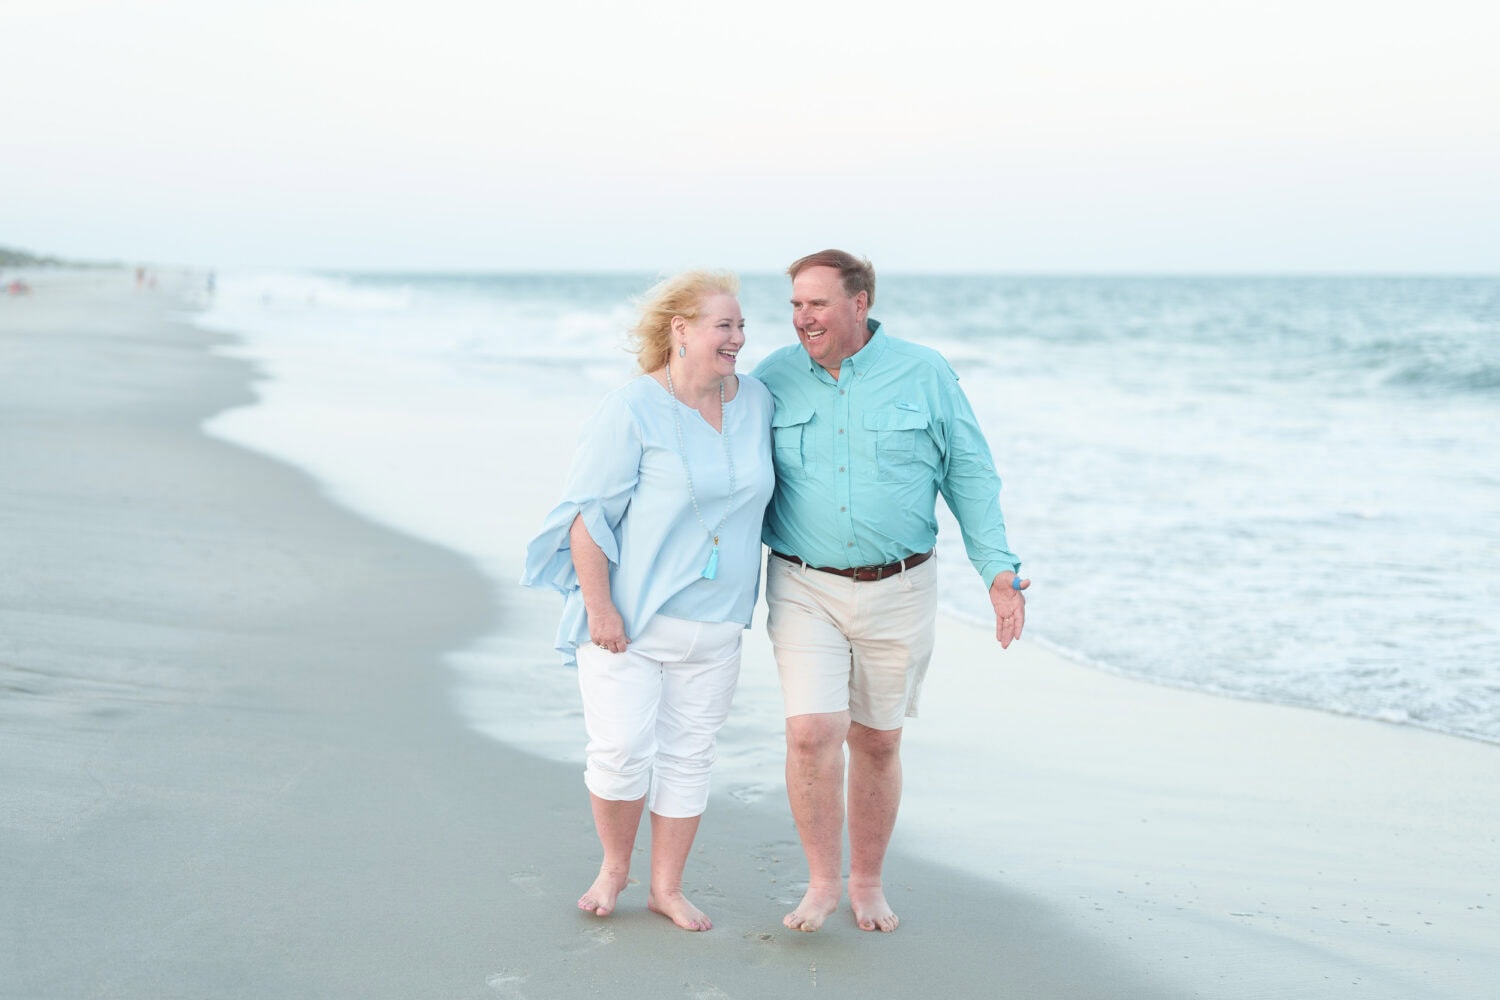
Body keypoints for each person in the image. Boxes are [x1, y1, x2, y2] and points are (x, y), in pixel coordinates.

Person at [753, 249, 1029, 933]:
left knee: (876, 741)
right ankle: (821, 883)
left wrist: (997, 570)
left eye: (816, 303)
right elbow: (723, 468)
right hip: (803, 582)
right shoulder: (771, 378)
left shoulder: (924, 372)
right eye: (795, 305)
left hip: (900, 585)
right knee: (812, 733)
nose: (803, 318)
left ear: (860, 301)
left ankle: (867, 882)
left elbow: (970, 473)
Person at [521, 270, 775, 931]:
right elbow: (588, 517)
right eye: (725, 325)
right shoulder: (630, 408)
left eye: (742, 326)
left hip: (717, 626)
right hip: (630, 624)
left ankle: (667, 887)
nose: (739, 339)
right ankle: (614, 868)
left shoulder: (758, 403)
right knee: (622, 750)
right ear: (680, 331)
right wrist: (600, 607)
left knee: (691, 755)